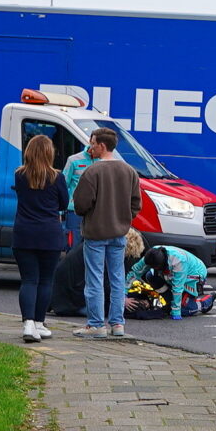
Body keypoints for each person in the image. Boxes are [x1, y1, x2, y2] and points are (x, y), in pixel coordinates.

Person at [70, 126, 142, 338]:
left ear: (102, 145)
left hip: (95, 233)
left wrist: (90, 214)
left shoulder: (92, 171)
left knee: (94, 279)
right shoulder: (129, 171)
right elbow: (136, 203)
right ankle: (118, 324)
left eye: (92, 143)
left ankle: (96, 325)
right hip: (119, 233)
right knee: (118, 279)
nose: (90, 148)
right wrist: (124, 218)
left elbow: (80, 204)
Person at [11, 131, 69, 342]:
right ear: (49, 153)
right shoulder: (57, 177)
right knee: (45, 281)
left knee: (29, 280)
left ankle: (27, 323)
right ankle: (38, 322)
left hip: (24, 233)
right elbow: (64, 203)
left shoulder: (19, 175)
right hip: (49, 234)